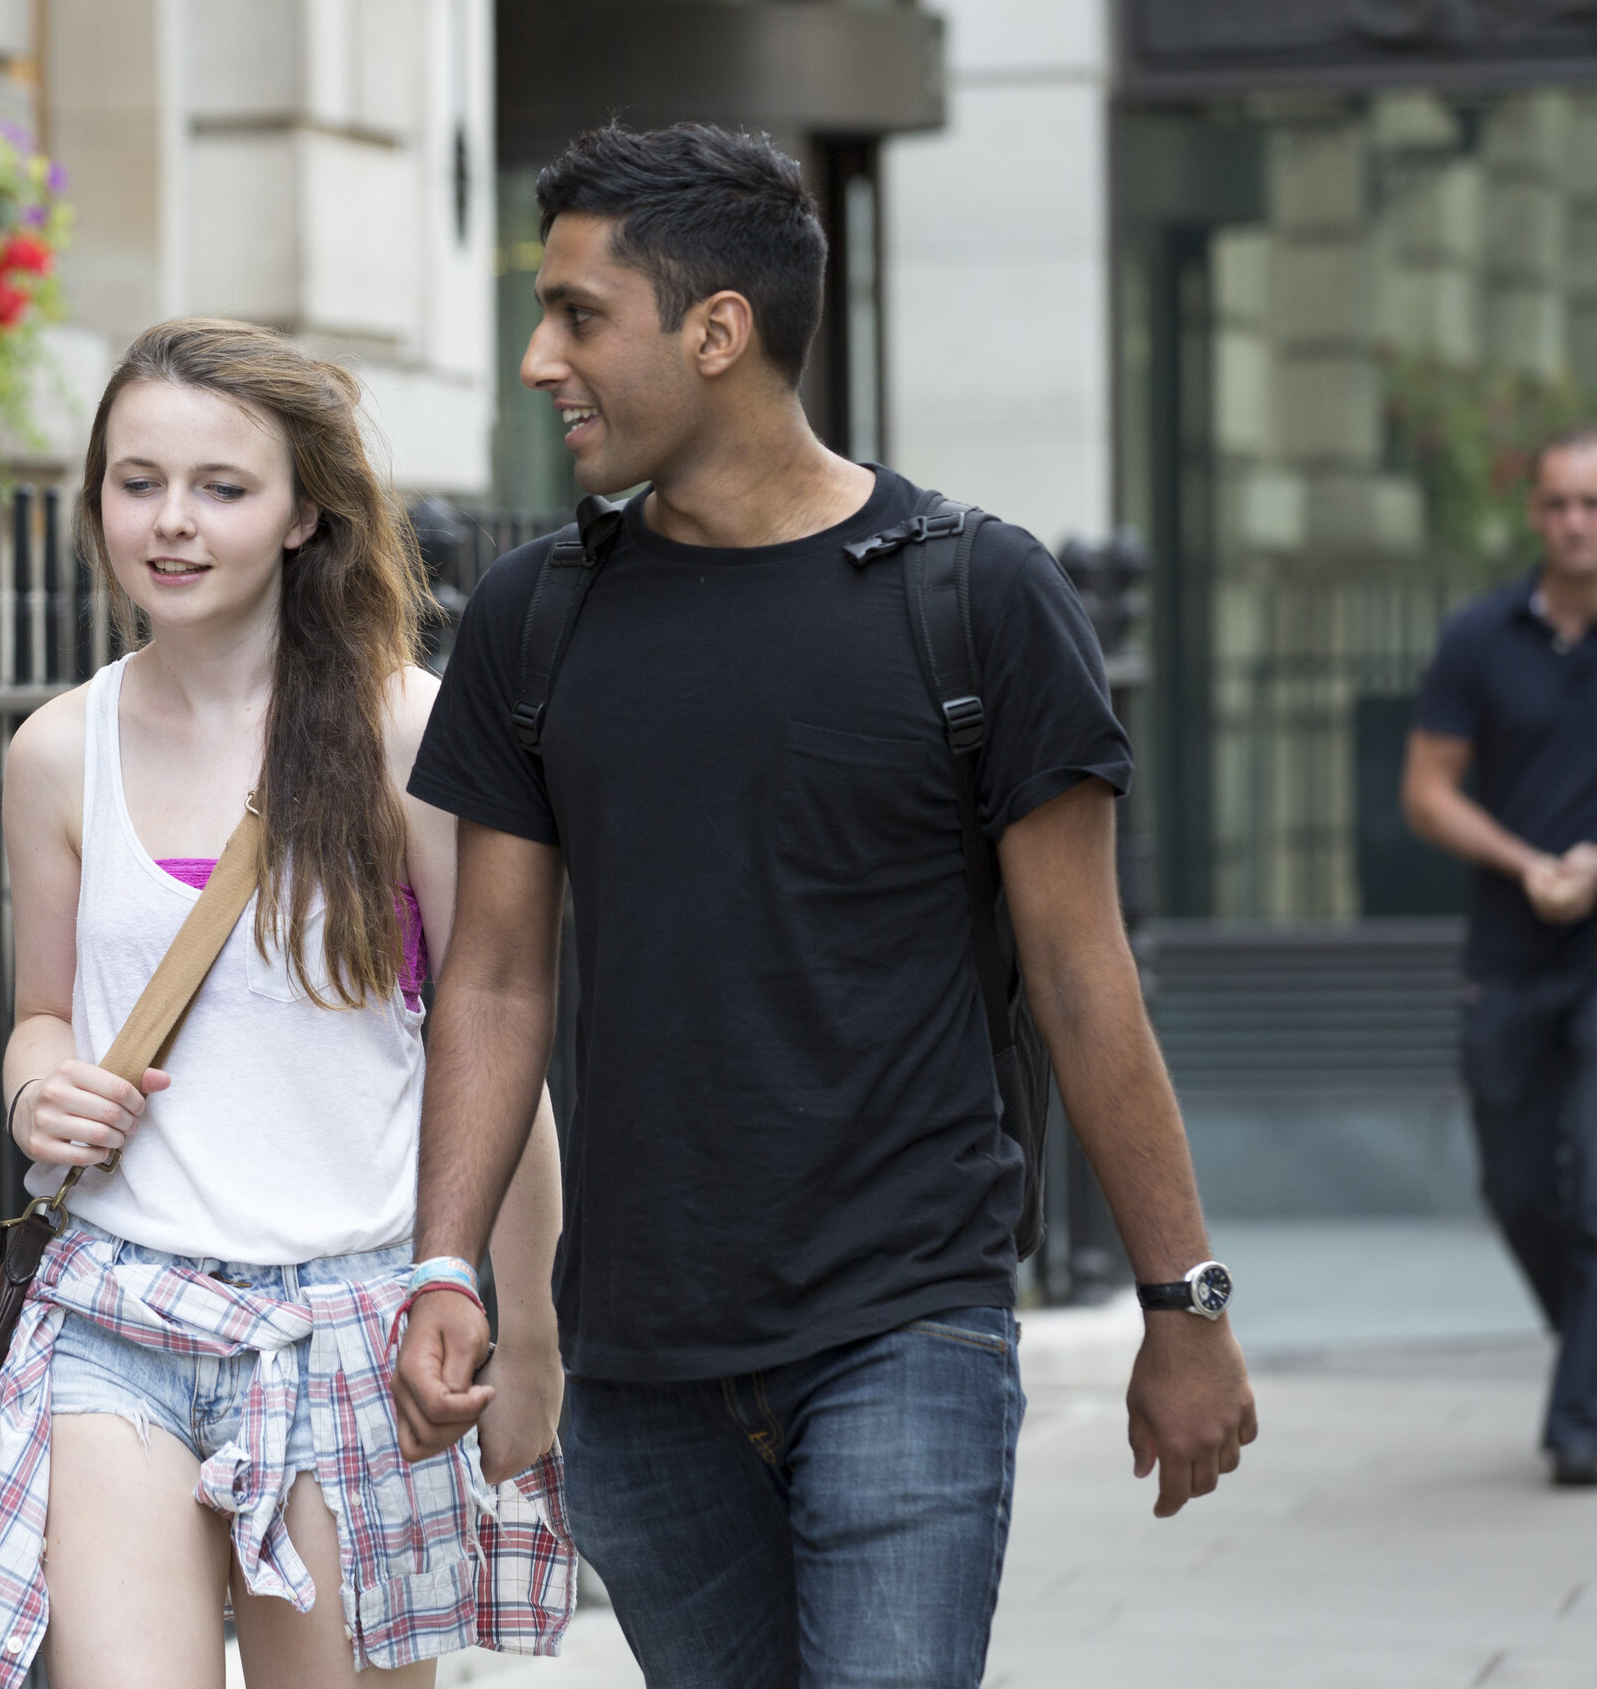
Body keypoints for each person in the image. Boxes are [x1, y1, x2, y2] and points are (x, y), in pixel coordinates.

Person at [386, 123, 1260, 1687]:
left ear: (717, 331)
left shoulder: (975, 596)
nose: (537, 362)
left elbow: (1082, 977)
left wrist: (1181, 1303)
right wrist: (449, 1262)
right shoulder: (535, 619)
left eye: (579, 315)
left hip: (904, 1315)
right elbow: (498, 978)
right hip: (642, 1353)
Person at [0, 318, 573, 1689]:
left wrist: (536, 1339)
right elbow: (42, 1012)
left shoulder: (406, 730)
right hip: (119, 1317)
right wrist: (36, 1087)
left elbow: (490, 1039)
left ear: (303, 511)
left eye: (222, 487)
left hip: (351, 1330)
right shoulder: (57, 751)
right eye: (137, 482)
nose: (172, 522)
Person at [1404, 425, 1597, 1489]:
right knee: (1516, 1187)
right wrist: (1526, 863)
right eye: (1557, 503)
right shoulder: (1480, 637)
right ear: (1535, 514)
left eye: (1594, 502)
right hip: (1510, 944)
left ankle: (1583, 1424)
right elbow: (1427, 790)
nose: (1576, 522)